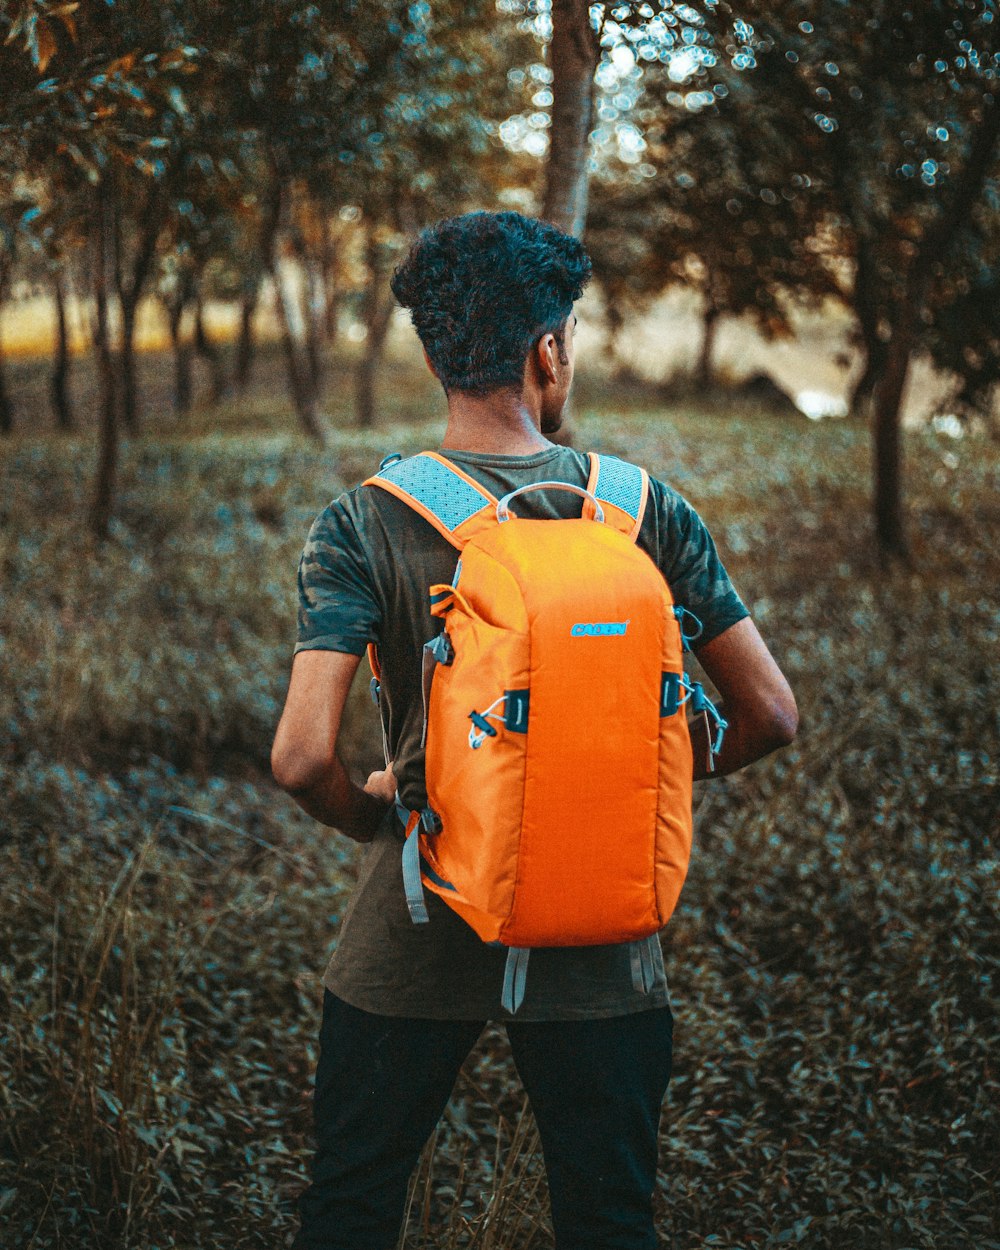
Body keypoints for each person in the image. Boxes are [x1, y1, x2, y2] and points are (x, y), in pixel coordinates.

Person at [271, 210, 798, 1250]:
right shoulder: (645, 510)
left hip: (417, 917)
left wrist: (383, 817)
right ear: (547, 348)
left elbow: (299, 756)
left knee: (351, 1202)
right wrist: (632, 776)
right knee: (608, 1216)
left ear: (432, 352)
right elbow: (771, 713)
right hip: (606, 927)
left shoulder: (365, 520)